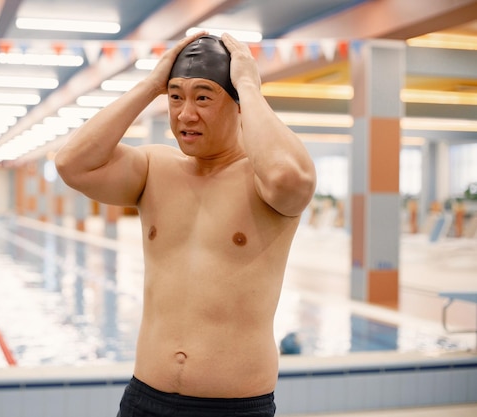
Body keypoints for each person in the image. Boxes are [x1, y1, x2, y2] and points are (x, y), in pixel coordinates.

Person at [55, 32, 316, 417]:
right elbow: (71, 164)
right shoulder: (153, 169)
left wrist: (248, 85)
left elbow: (285, 178)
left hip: (234, 407)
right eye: (176, 96)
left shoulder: (263, 180)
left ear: (237, 104)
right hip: (145, 398)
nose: (185, 114)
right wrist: (149, 86)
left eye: (204, 97)